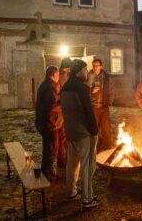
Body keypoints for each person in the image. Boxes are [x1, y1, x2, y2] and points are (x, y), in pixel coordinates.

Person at [60, 59, 101, 208]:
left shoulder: (64, 87)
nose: (86, 73)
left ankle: (71, 192)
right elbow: (87, 111)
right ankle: (87, 198)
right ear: (79, 72)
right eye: (85, 70)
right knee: (87, 164)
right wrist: (94, 130)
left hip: (70, 131)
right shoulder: (81, 88)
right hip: (83, 132)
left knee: (72, 163)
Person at [35, 66, 62, 180]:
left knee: (49, 148)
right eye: (57, 75)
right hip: (49, 124)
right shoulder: (49, 88)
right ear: (53, 75)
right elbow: (51, 107)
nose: (58, 78)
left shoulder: (45, 85)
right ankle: (47, 173)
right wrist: (63, 105)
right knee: (51, 148)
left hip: (46, 123)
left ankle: (48, 171)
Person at [86, 59, 113, 151]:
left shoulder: (106, 77)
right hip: (94, 107)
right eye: (94, 66)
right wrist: (91, 91)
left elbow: (110, 90)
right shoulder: (88, 76)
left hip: (104, 107)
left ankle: (107, 150)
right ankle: (96, 151)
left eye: (97, 66)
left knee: (106, 130)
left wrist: (109, 102)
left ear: (101, 66)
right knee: (95, 130)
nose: (95, 68)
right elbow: (84, 90)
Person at [57, 58, 73, 168]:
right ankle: (62, 160)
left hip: (61, 110)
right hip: (63, 111)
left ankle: (62, 158)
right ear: (67, 68)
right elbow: (65, 93)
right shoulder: (64, 77)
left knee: (61, 136)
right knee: (62, 136)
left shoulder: (60, 75)